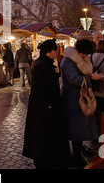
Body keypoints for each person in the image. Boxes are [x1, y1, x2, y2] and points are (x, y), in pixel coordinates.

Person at [23, 39, 71, 169]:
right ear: (49, 52)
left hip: (49, 106)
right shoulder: (41, 66)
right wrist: (48, 105)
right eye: (55, 50)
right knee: (44, 133)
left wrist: (56, 73)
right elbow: (42, 88)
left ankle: (51, 158)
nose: (57, 52)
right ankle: (44, 159)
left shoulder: (46, 63)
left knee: (50, 133)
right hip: (45, 108)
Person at [61, 38, 103, 168]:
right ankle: (76, 156)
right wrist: (90, 77)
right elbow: (73, 79)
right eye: (85, 53)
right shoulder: (68, 61)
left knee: (80, 126)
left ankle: (79, 152)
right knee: (76, 126)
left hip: (80, 96)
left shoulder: (79, 59)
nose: (85, 56)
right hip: (73, 98)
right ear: (80, 51)